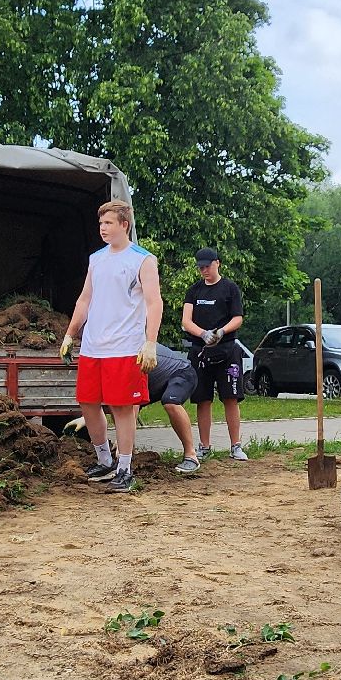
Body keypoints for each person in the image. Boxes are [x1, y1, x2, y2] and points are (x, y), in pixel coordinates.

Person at [60, 200, 162, 494]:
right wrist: (70, 334)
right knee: (88, 403)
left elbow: (155, 302)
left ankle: (125, 468)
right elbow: (85, 299)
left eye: (108, 223)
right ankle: (104, 459)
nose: (103, 228)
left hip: (125, 347)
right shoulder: (97, 258)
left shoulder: (142, 259)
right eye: (101, 223)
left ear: (124, 225)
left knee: (121, 407)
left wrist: (150, 342)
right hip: (94, 346)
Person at [183, 247, 247, 462]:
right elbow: (186, 321)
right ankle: (204, 446)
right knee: (203, 399)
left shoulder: (230, 288)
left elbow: (237, 318)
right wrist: (202, 334)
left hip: (227, 350)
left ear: (217, 263)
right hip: (200, 351)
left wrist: (221, 332)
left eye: (207, 266)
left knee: (230, 398)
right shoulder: (194, 290)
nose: (204, 271)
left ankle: (236, 445)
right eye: (200, 267)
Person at [145, 343, 206, 473]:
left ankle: (191, 455)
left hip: (182, 372)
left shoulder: (132, 351)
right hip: (155, 382)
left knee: (170, 401)